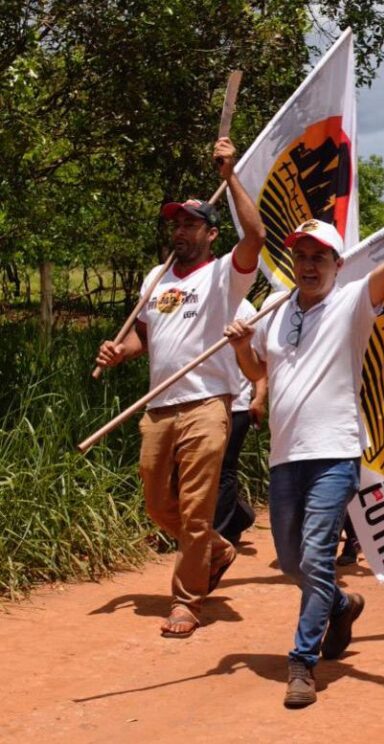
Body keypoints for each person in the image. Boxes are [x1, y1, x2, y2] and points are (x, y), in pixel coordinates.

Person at [225, 195, 384, 707]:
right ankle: (343, 606)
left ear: (337, 263)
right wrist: (241, 346)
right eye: (301, 256)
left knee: (318, 556)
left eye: (319, 256)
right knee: (289, 561)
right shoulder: (272, 311)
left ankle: (302, 662)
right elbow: (259, 374)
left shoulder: (352, 301)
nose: (308, 265)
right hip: (286, 454)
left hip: (335, 452)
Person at [95, 138, 265, 638]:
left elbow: (255, 234)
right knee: (154, 502)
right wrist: (117, 349)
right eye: (176, 222)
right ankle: (215, 549)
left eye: (190, 222)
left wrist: (230, 175)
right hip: (158, 405)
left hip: (207, 405)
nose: (180, 229)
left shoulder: (223, 277)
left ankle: (187, 601)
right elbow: (143, 337)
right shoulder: (157, 277)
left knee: (194, 509)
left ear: (212, 234)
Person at [214, 298, 268, 546]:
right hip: (203, 403)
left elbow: (259, 359)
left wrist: (259, 397)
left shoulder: (245, 309)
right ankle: (239, 517)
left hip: (236, 405)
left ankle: (219, 534)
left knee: (225, 467)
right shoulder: (202, 301)